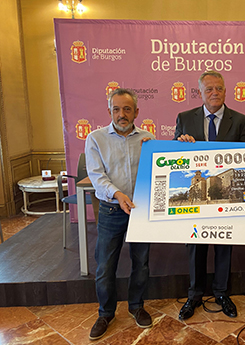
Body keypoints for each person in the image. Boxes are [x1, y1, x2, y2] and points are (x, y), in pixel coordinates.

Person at [174, 70, 245, 320]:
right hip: (197, 198)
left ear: (225, 91)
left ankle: (221, 293)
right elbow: (177, 157)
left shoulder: (241, 120)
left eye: (218, 88)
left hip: (224, 198)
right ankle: (194, 295)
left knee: (224, 246)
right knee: (195, 246)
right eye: (209, 89)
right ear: (200, 93)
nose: (214, 93)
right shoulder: (184, 118)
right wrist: (181, 143)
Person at [85, 88, 155, 340]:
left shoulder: (148, 138)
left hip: (140, 211)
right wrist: (117, 194)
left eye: (127, 109)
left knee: (141, 263)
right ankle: (105, 313)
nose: (121, 114)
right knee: (105, 265)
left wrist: (161, 151)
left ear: (137, 111)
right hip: (112, 210)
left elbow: (159, 172)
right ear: (109, 111)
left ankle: (137, 306)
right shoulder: (95, 138)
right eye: (116, 109)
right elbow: (97, 176)